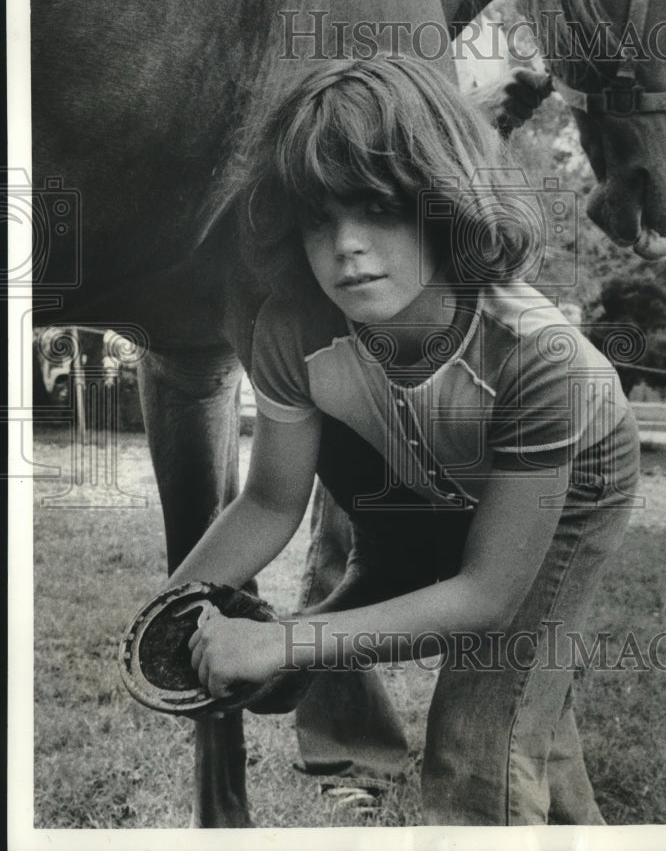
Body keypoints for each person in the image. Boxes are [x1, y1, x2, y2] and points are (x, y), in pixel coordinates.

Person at [166, 54, 640, 826]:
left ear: (444, 204)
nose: (345, 246)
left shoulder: (540, 362)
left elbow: (485, 597)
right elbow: (269, 500)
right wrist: (171, 611)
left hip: (576, 480)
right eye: (318, 219)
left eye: (378, 209)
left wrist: (287, 646)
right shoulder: (292, 326)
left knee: (478, 734)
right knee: (525, 694)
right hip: (426, 463)